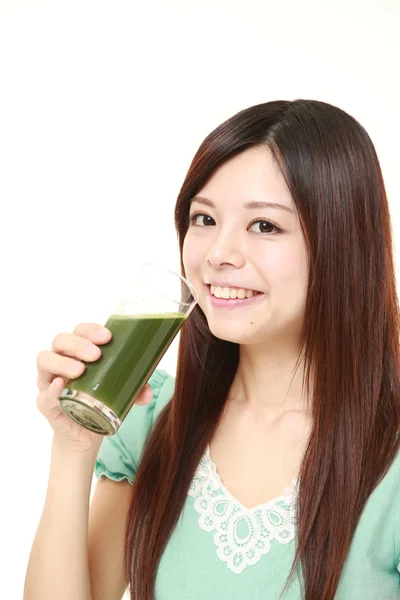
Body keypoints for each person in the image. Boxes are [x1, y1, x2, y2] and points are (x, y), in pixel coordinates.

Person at [24, 99, 400, 600]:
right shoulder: (153, 418)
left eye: (264, 225)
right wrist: (73, 446)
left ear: (340, 244)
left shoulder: (389, 460)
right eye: (203, 219)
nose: (219, 254)